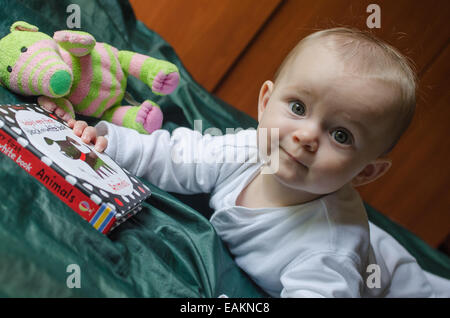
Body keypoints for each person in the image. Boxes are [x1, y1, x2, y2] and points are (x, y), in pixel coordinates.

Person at [55, 27, 449, 297]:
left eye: (341, 135)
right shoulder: (249, 150)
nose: (307, 136)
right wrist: (108, 141)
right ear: (265, 102)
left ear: (365, 172)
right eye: (298, 107)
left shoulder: (328, 254)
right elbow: (178, 154)